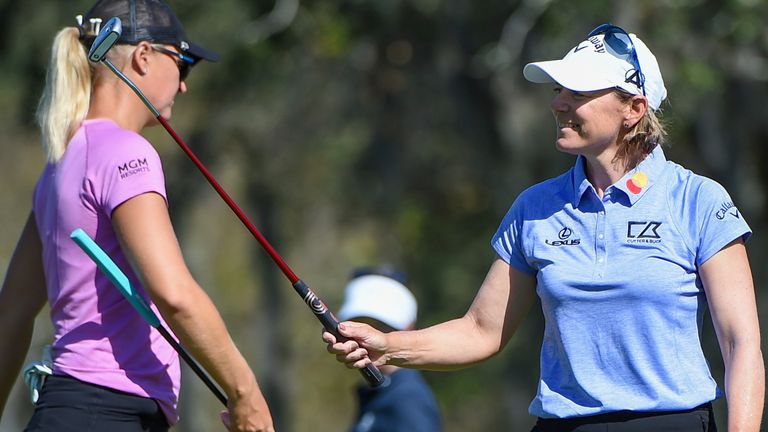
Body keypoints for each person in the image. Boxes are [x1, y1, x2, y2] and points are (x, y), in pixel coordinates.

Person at [324, 23, 764, 431]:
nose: (558, 102)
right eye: (559, 89)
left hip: (670, 423)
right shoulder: (534, 206)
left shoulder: (698, 200)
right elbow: (481, 330)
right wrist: (388, 345)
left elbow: (740, 344)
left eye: (579, 92)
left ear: (634, 108)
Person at [0, 1, 274, 431]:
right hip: (109, 414)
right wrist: (246, 393)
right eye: (183, 64)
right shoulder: (127, 152)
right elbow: (175, 294)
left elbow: (10, 316)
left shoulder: (58, 166)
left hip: (61, 412)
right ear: (144, 56)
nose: (183, 85)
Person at [336, 267, 442, 432]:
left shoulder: (408, 401)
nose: (363, 339)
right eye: (358, 323)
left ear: (408, 328)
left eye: (381, 326)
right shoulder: (381, 395)